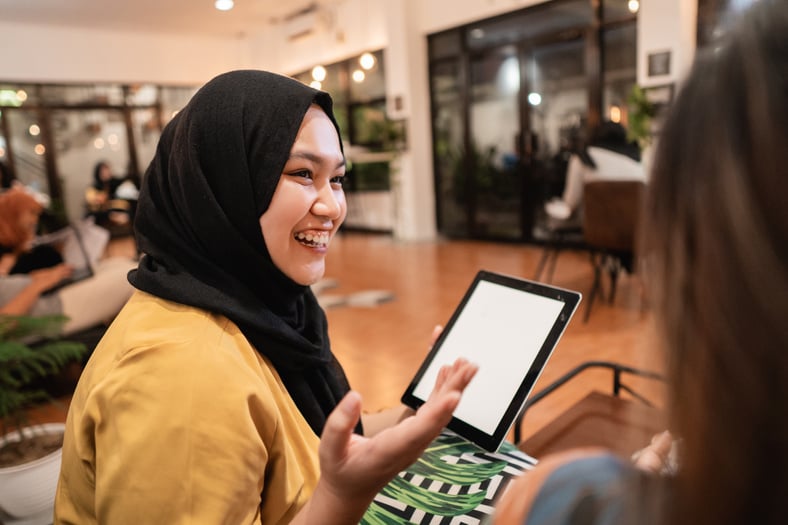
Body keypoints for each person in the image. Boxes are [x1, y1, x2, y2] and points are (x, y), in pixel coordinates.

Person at [54, 70, 477, 524]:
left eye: (336, 179)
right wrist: (340, 496)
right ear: (222, 184)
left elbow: (319, 440)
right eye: (301, 173)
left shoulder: (267, 310)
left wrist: (421, 410)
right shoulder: (182, 372)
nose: (332, 207)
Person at [492, 1, 788, 523]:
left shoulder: (572, 498)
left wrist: (549, 212)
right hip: (632, 242)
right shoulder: (633, 161)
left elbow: (570, 205)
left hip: (600, 237)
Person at [0, 187, 136, 336]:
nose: (35, 220)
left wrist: (33, 278)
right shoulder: (7, 253)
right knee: (130, 277)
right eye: (31, 213)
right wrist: (37, 285)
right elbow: (4, 323)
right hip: (50, 309)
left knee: (119, 263)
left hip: (47, 296)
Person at [544, 121, 643, 221]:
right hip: (634, 230)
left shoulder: (583, 158)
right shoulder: (636, 161)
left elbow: (570, 203)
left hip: (594, 229)